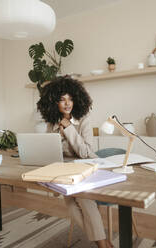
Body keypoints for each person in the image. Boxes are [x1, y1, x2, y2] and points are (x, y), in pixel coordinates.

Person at [37, 76, 114, 248]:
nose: (67, 103)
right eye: (62, 99)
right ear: (53, 103)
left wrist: (70, 128)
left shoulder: (84, 120)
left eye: (70, 99)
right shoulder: (52, 123)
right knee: (72, 207)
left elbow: (86, 153)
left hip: (85, 167)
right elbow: (51, 151)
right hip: (65, 171)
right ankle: (104, 242)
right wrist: (59, 131)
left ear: (77, 100)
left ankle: (102, 244)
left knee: (83, 201)